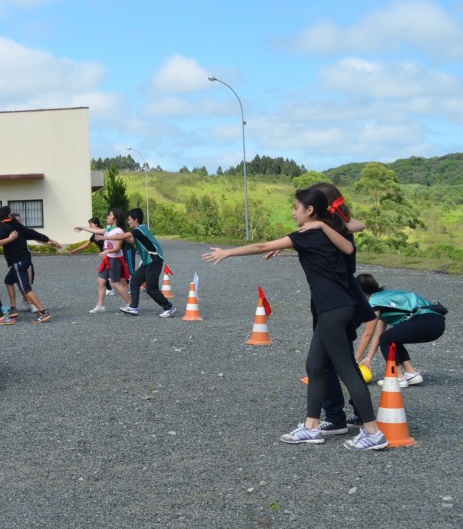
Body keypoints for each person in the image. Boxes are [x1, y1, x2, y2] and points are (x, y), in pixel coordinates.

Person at [203, 185, 388, 451]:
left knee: (346, 369)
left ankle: (373, 433)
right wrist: (306, 237)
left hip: (332, 310)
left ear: (310, 210)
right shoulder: (335, 230)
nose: (293, 212)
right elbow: (350, 231)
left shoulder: (310, 233)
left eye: (295, 207)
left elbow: (262, 245)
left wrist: (227, 252)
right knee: (314, 366)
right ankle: (312, 427)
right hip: (340, 307)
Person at [356, 273, 447, 388]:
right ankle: (411, 374)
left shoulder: (374, 302)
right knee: (391, 337)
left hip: (426, 321)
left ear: (360, 292)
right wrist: (368, 358)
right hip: (436, 323)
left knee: (387, 338)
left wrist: (355, 361)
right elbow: (378, 334)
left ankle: (397, 377)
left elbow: (368, 334)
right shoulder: (384, 299)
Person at [0, 205, 58, 322]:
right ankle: (13, 309)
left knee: (25, 288)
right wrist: (48, 240)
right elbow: (30, 232)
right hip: (25, 259)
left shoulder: (3, 226)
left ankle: (43, 312)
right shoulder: (15, 224)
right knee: (8, 281)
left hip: (18, 261)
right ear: (8, 215)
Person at [119, 208, 176, 318]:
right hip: (147, 262)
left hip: (154, 261)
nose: (128, 221)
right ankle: (133, 307)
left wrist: (105, 236)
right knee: (135, 281)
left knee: (151, 289)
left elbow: (122, 236)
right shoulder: (140, 230)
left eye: (129, 219)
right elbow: (130, 240)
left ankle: (169, 307)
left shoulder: (139, 230)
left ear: (135, 219)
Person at [74, 210, 134, 313]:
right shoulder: (109, 229)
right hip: (108, 258)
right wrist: (83, 228)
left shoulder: (119, 231)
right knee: (101, 281)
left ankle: (131, 304)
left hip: (115, 259)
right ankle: (100, 305)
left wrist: (106, 251)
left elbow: (118, 248)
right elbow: (95, 231)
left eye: (109, 215)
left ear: (115, 218)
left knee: (115, 283)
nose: (107, 217)